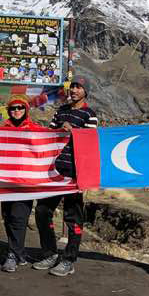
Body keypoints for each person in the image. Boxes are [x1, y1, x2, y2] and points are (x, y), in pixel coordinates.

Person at [33, 76, 98, 278]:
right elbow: (50, 135)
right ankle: (50, 253)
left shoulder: (90, 115)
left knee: (73, 218)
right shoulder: (60, 111)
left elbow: (90, 142)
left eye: (79, 87)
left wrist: (74, 131)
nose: (74, 90)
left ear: (86, 91)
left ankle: (69, 260)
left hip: (74, 173)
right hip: (54, 171)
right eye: (73, 87)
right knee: (42, 211)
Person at [0, 95, 43, 272]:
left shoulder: (35, 129)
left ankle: (12, 255)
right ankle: (19, 251)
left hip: (25, 183)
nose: (17, 111)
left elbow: (46, 144)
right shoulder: (2, 130)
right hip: (6, 182)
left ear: (26, 110)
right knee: (8, 217)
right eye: (13, 108)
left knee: (19, 217)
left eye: (20, 107)